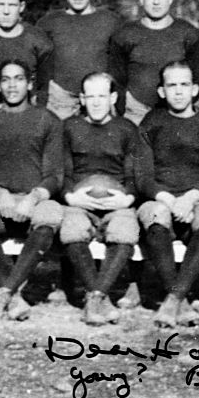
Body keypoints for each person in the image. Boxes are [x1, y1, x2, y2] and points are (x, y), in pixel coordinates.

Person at [0, 60, 64, 321]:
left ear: (30, 84)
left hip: (33, 199)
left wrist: (33, 197)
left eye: (18, 79)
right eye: (6, 80)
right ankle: (14, 296)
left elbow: (55, 176)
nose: (12, 86)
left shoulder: (47, 120)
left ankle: (3, 293)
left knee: (51, 213)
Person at [136, 61, 199, 328]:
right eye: (171, 85)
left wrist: (190, 198)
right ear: (161, 91)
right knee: (156, 221)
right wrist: (168, 199)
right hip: (159, 198)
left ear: (195, 89)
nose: (178, 91)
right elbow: (142, 175)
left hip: (196, 199)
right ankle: (181, 301)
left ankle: (173, 300)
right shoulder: (152, 122)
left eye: (184, 84)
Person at [59, 72, 140, 325]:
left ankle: (94, 298)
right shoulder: (69, 127)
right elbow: (62, 171)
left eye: (102, 96)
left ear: (113, 98)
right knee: (72, 229)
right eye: (90, 96)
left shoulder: (126, 129)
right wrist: (71, 197)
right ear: (82, 99)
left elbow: (134, 174)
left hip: (116, 202)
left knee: (125, 231)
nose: (96, 102)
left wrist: (127, 199)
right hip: (80, 201)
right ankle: (100, 299)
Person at [108, 0, 199, 125]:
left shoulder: (188, 33)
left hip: (176, 114)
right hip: (136, 113)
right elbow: (117, 79)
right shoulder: (125, 34)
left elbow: (198, 76)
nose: (156, 2)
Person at [36, 0, 123, 119]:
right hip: (61, 102)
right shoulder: (48, 23)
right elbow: (39, 67)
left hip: (98, 99)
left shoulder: (111, 21)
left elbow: (120, 67)